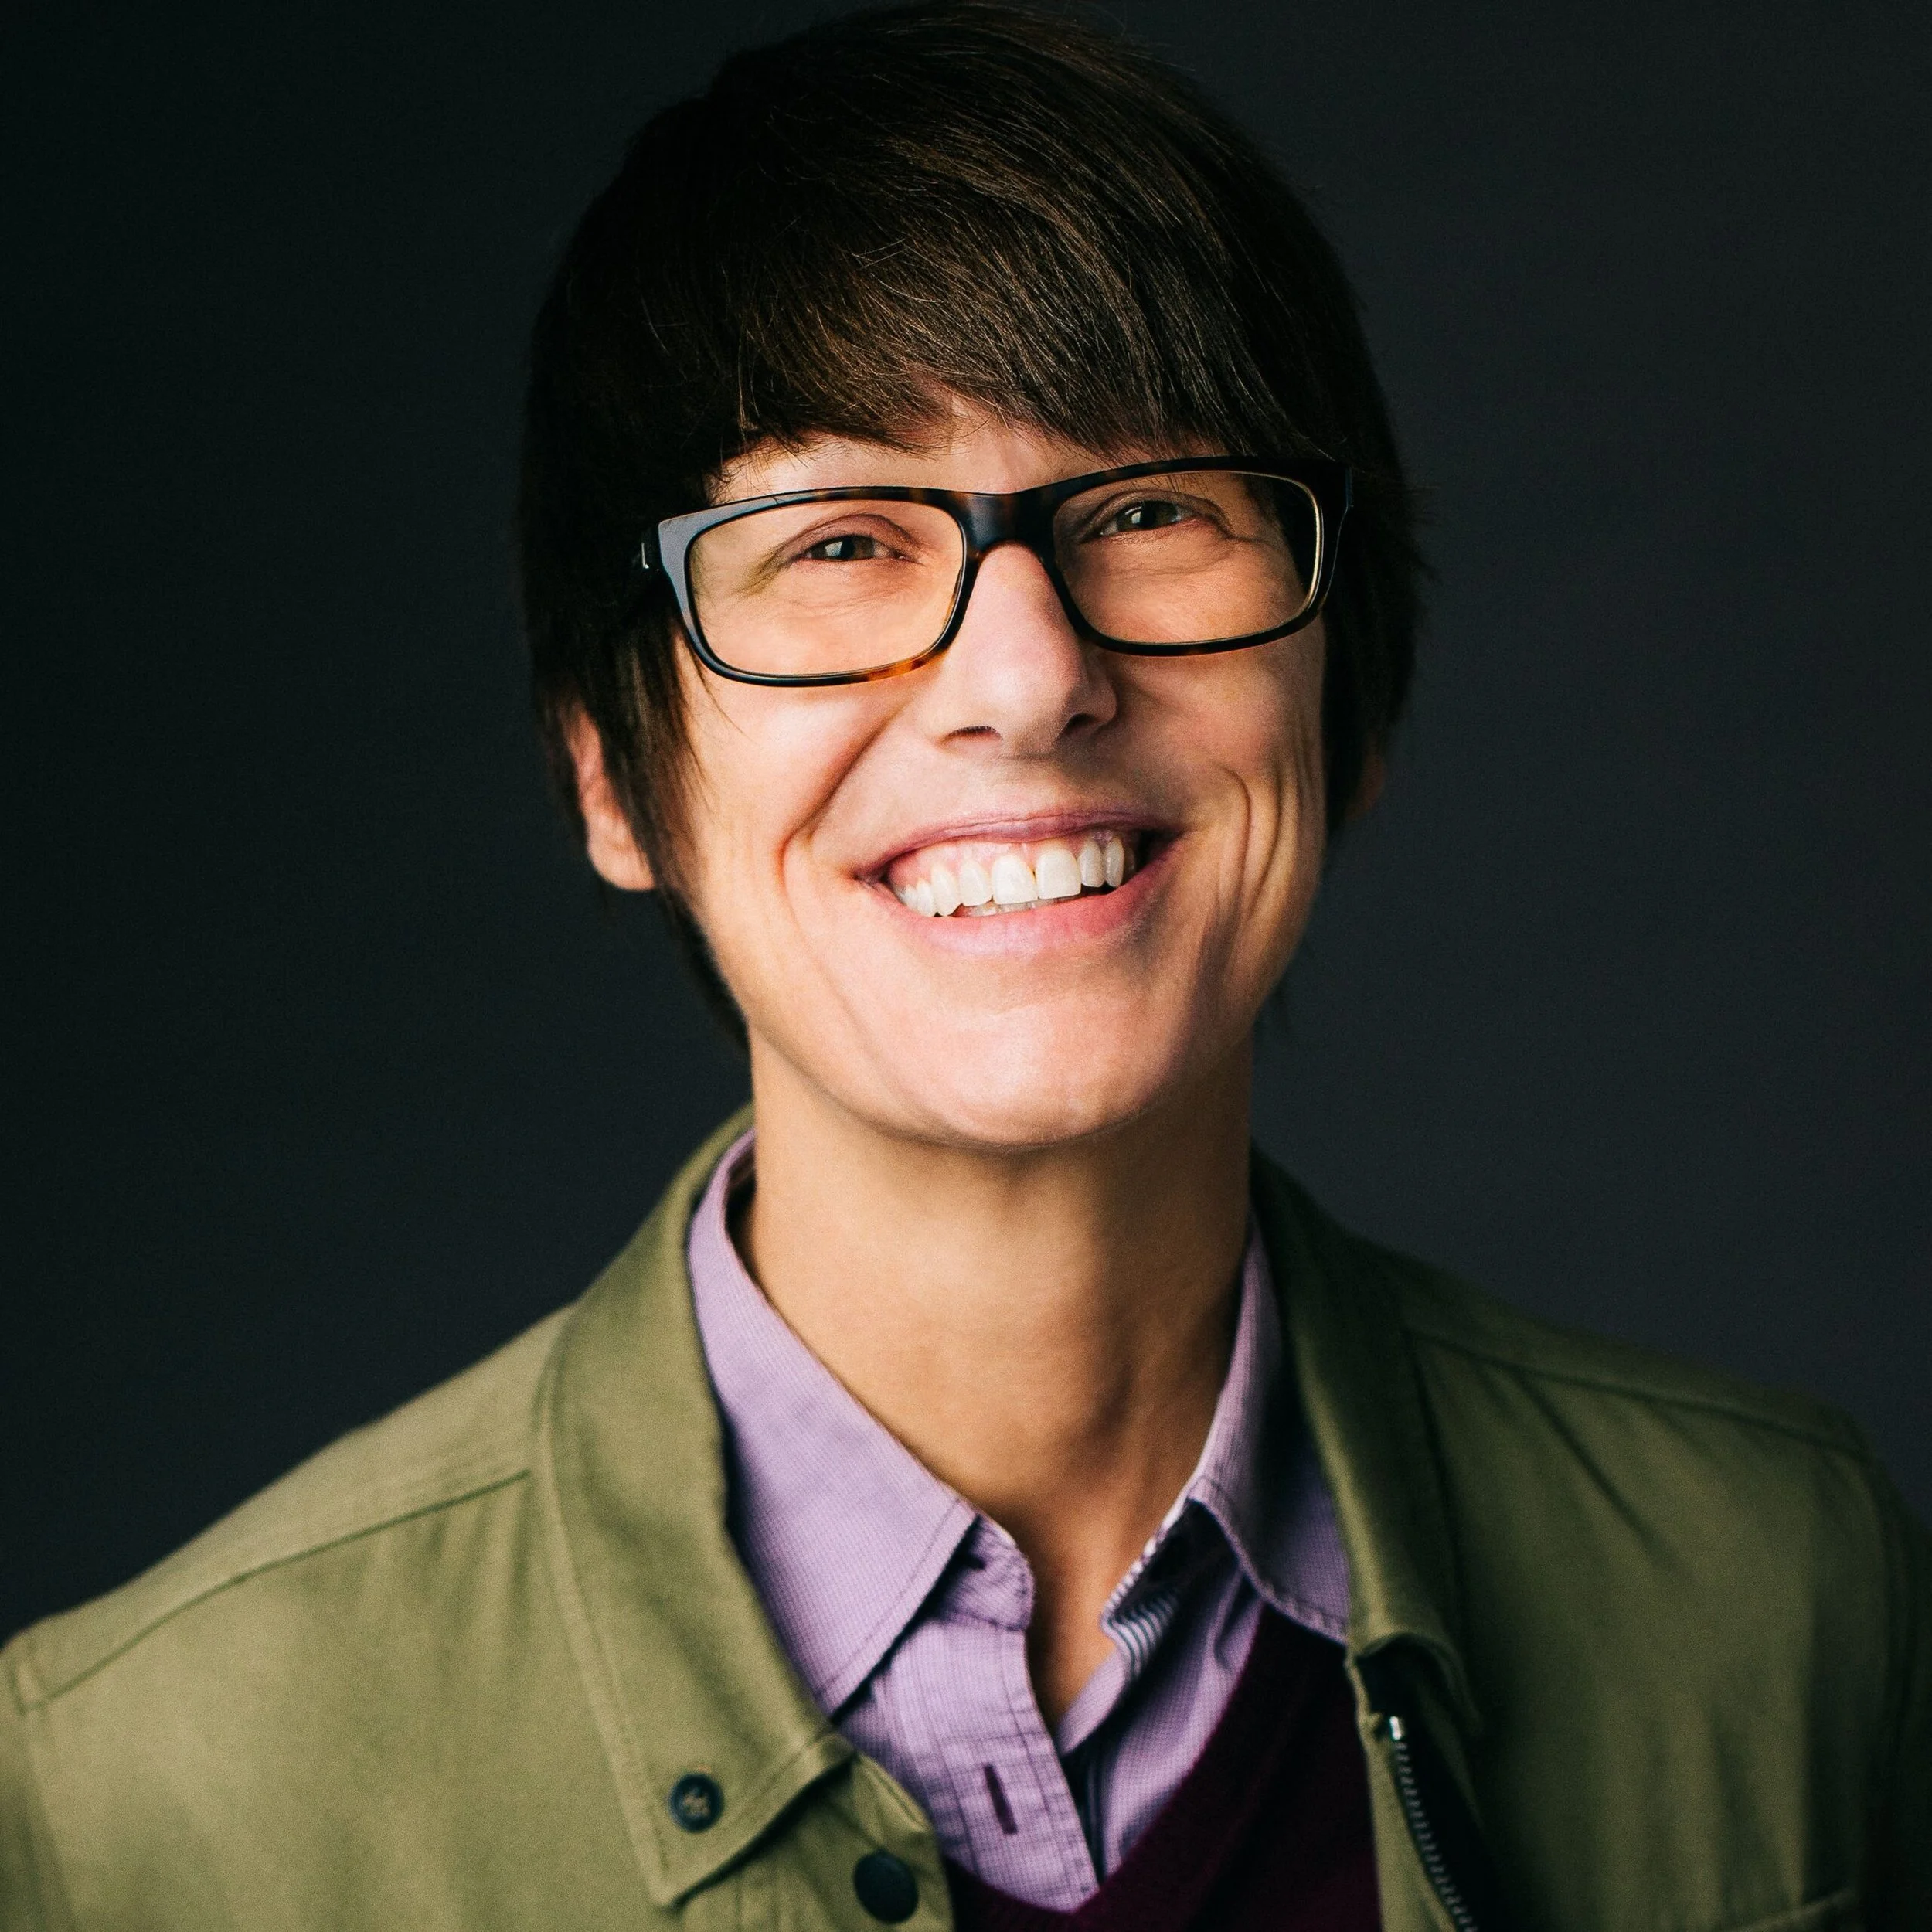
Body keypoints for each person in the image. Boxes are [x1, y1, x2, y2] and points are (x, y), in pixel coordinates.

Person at [3, 4, 1925, 1927]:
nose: (1025, 676)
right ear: (611, 772)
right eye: (836, 540)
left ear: (1344, 701)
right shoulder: (143, 1788)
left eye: (1154, 508)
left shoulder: (1774, 1601)